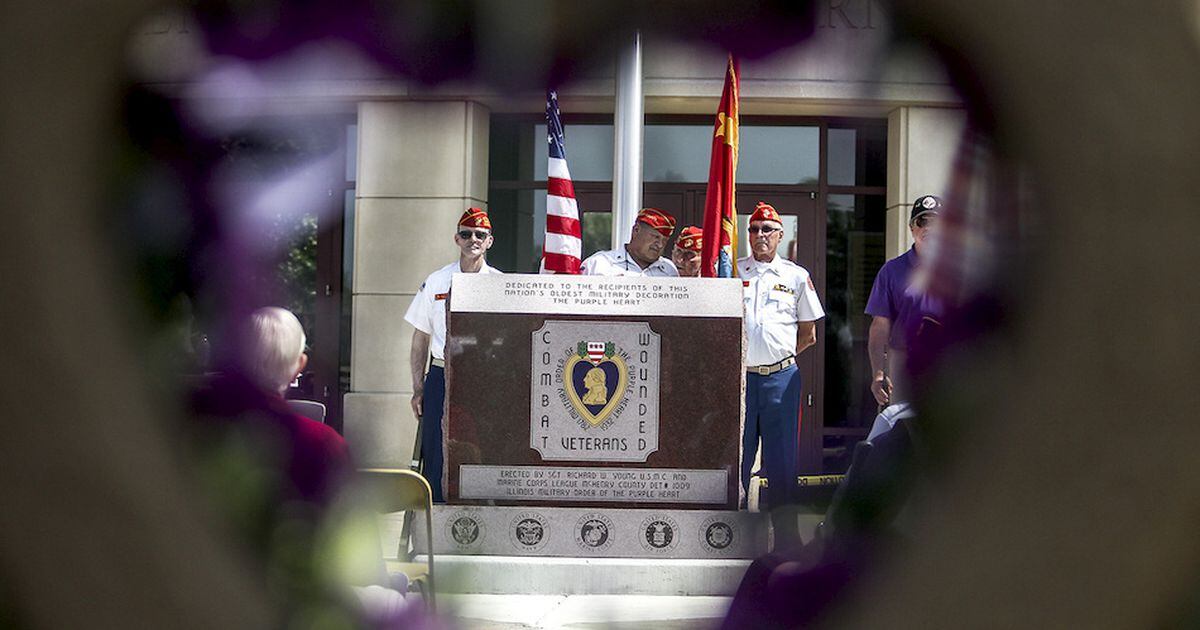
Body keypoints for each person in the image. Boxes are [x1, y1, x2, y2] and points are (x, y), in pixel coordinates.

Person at [404, 206, 501, 502]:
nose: (473, 239)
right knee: (436, 445)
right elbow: (420, 337)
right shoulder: (436, 281)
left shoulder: (499, 283)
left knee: (482, 443)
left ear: (489, 241)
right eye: (466, 233)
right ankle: (435, 512)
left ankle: (480, 511)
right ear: (456, 239)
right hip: (441, 373)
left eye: (480, 235)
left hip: (482, 375)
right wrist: (418, 388)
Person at [738, 201, 825, 519]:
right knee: (739, 455)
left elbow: (808, 334)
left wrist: (777, 357)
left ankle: (785, 533)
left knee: (782, 459)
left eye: (768, 229)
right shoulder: (733, 271)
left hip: (780, 379)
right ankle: (731, 528)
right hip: (742, 379)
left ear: (780, 234)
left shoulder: (796, 275)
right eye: (754, 229)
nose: (760, 234)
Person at [865, 194, 943, 408]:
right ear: (911, 228)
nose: (928, 228)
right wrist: (879, 373)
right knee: (902, 431)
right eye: (922, 222)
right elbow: (880, 326)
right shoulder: (891, 271)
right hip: (903, 362)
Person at [581, 207, 679, 276]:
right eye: (655, 237)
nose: (660, 245)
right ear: (636, 230)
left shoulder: (669, 270)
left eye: (665, 240)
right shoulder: (599, 264)